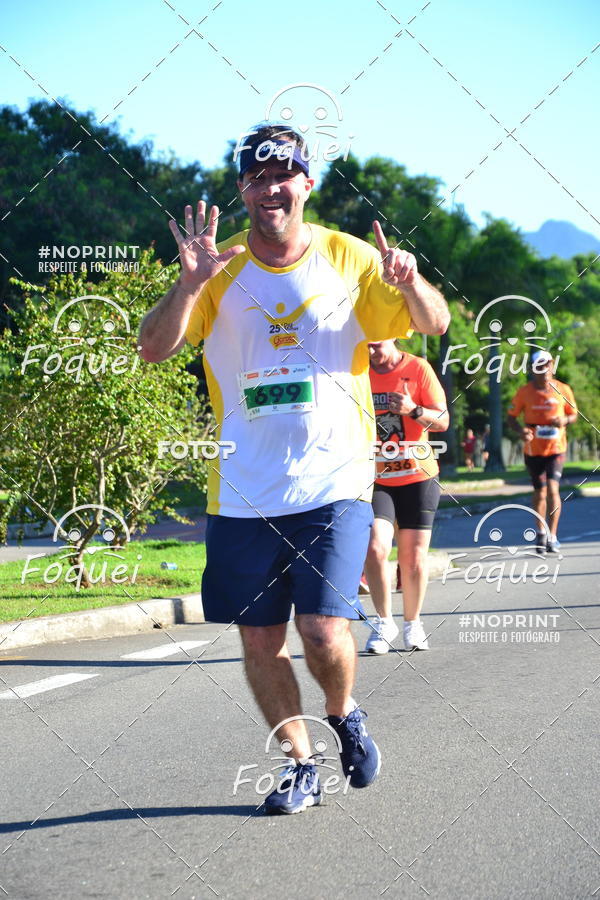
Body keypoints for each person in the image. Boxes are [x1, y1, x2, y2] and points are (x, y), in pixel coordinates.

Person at [139, 124, 449, 814]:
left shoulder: (350, 256)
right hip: (243, 491)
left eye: (284, 174)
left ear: (306, 183)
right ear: (242, 188)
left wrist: (413, 281)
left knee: (322, 631)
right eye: (256, 176)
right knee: (259, 639)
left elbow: (432, 321)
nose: (270, 188)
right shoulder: (215, 269)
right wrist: (188, 287)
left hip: (334, 483)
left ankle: (343, 714)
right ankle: (302, 764)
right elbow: (153, 349)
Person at [363, 341, 449, 653]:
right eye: (366, 344)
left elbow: (443, 421)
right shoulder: (357, 370)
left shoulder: (418, 369)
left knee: (412, 558)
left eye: (376, 344)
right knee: (375, 547)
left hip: (418, 477)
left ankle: (413, 624)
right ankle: (384, 622)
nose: (371, 351)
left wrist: (413, 410)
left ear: (393, 336)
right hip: (377, 478)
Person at [507, 349, 577, 554]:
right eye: (540, 366)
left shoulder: (563, 389)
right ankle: (541, 534)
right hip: (533, 448)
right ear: (533, 369)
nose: (545, 369)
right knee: (540, 491)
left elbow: (573, 415)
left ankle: (553, 536)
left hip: (556, 447)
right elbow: (511, 417)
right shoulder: (524, 392)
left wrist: (564, 420)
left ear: (552, 367)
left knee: (553, 489)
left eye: (548, 365)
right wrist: (522, 431)